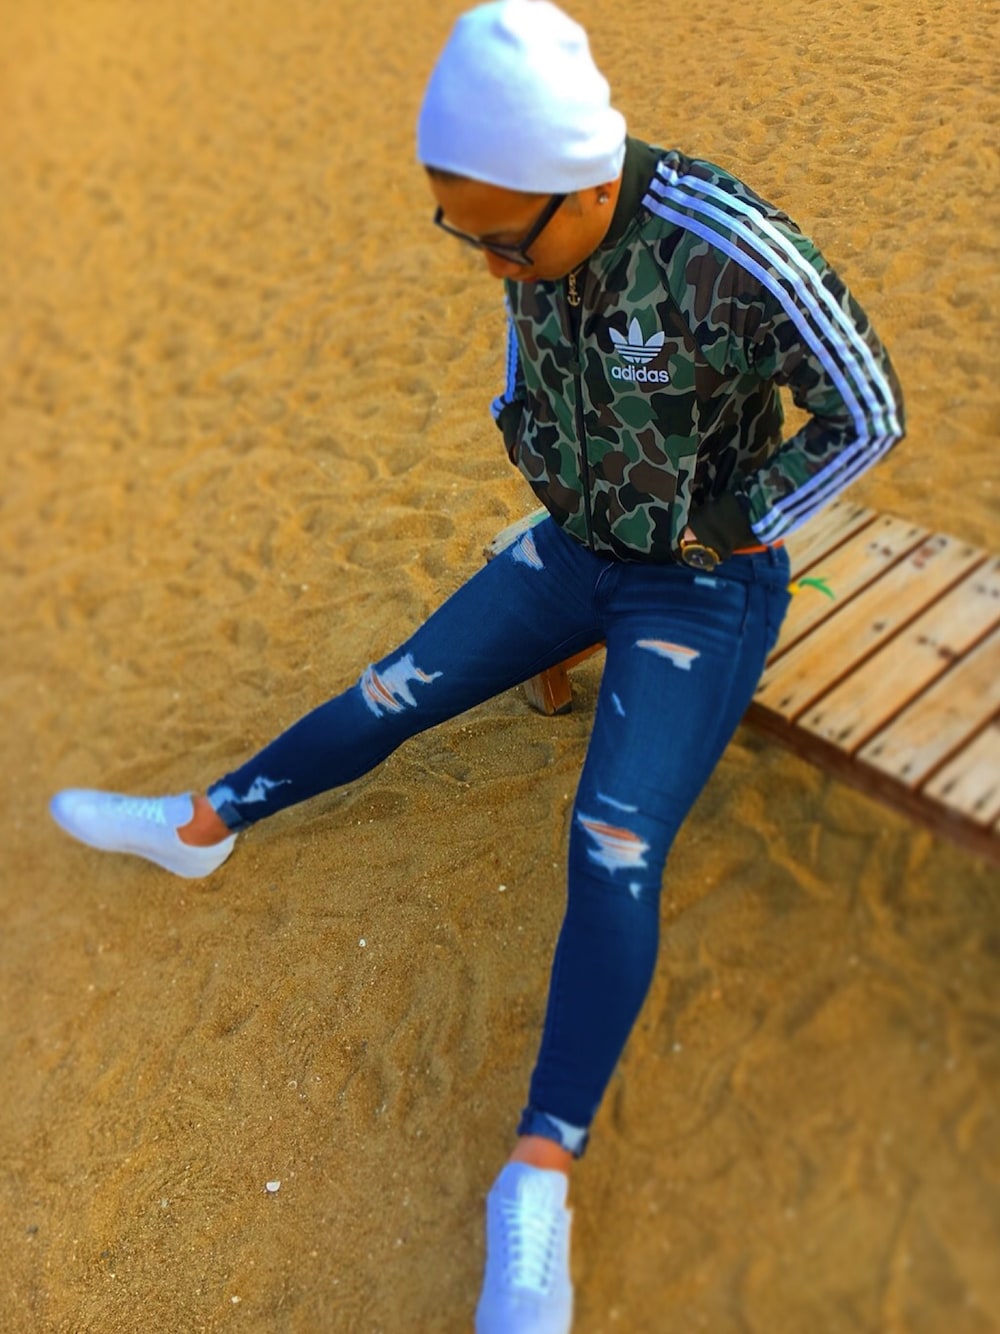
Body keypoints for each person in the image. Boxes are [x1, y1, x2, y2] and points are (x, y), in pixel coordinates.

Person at [49, 2, 905, 1330]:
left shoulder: (728, 244)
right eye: (465, 234)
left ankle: (537, 1174)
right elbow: (527, 333)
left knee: (612, 842)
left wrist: (734, 520)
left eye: (506, 238)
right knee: (394, 687)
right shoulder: (525, 229)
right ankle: (202, 825)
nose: (492, 263)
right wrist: (525, 421)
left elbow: (871, 405)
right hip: (572, 548)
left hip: (698, 577)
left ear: (588, 182)